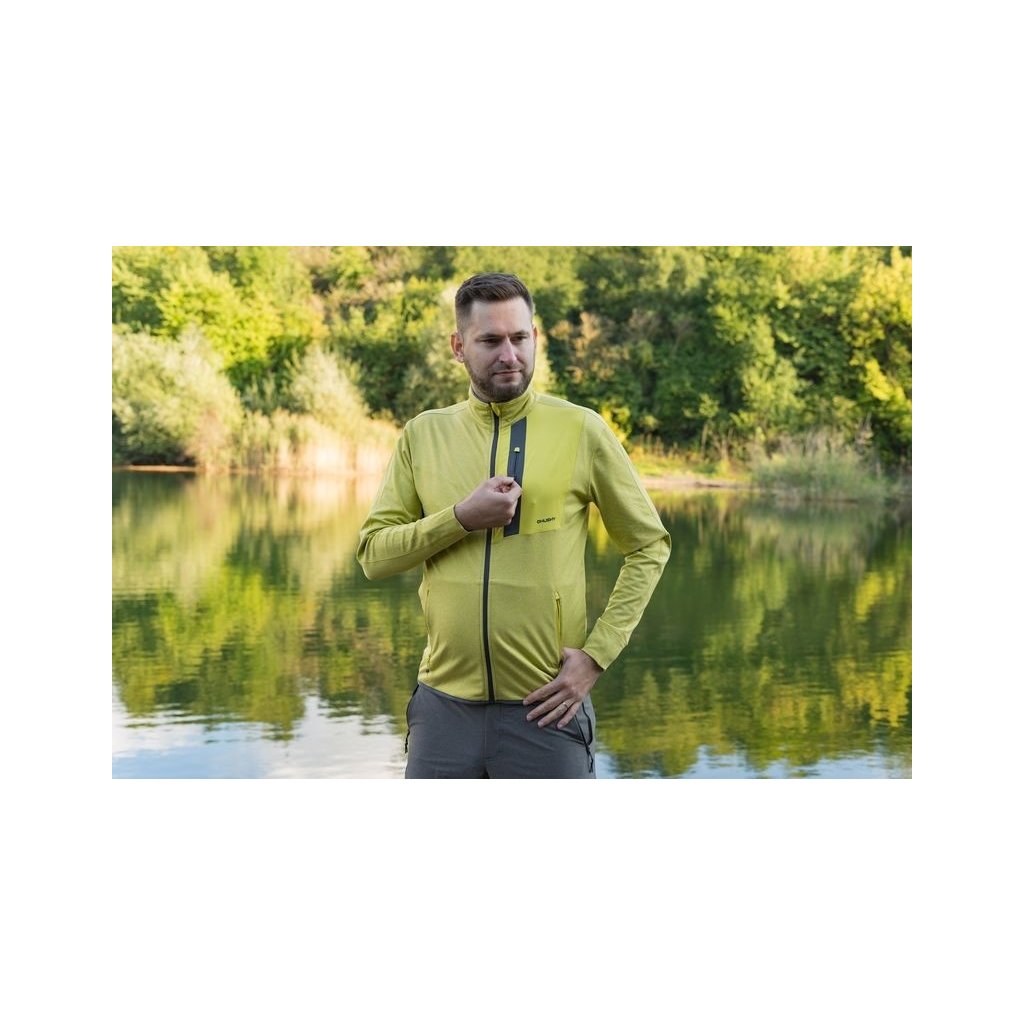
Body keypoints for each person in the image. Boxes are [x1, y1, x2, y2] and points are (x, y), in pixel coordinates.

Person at [357, 272, 670, 778]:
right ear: (459, 347)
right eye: (490, 341)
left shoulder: (582, 429)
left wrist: (597, 655)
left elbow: (649, 546)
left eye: (520, 338)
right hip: (443, 712)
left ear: (535, 337)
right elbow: (374, 556)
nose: (510, 355)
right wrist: (460, 518)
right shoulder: (423, 434)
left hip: (547, 710)